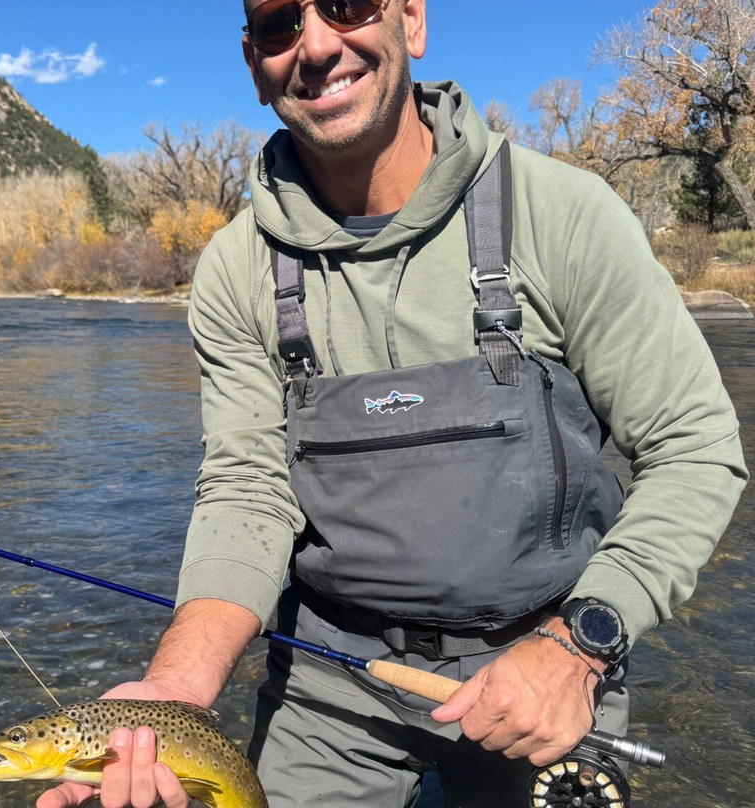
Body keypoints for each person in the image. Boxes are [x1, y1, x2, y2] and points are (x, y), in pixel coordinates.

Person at [37, 1, 748, 806]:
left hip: (540, 665)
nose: (314, 45)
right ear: (253, 63)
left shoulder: (563, 216)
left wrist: (580, 645)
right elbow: (247, 489)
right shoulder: (236, 269)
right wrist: (173, 692)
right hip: (327, 681)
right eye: (278, 24)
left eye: (345, 4)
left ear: (410, 20)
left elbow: (694, 449)